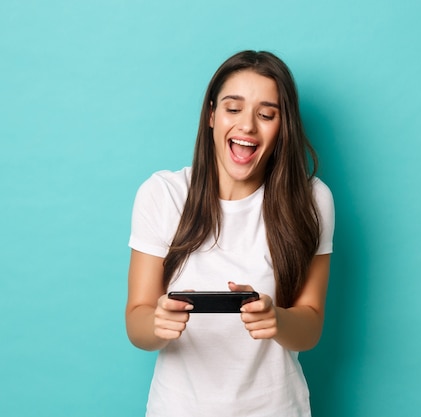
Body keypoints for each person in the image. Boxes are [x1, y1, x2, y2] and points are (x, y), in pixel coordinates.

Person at [125, 50, 335, 417]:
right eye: (233, 108)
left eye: (266, 114)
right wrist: (158, 322)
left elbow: (311, 323)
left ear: (283, 126)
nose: (247, 126)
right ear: (211, 115)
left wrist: (278, 320)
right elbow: (137, 320)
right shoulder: (162, 194)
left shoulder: (312, 200)